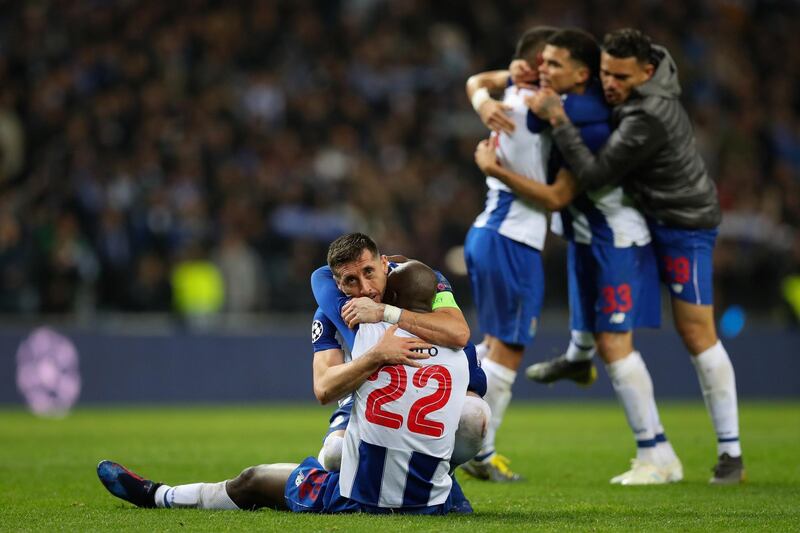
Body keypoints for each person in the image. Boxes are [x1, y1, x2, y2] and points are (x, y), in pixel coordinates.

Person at [97, 261, 491, 514]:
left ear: (389, 290)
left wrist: (373, 351)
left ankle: (158, 495)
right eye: (355, 278)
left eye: (374, 275)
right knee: (472, 414)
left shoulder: (365, 329)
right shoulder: (460, 351)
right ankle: (446, 481)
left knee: (259, 479)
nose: (366, 288)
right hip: (434, 499)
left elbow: (321, 282)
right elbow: (466, 356)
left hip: (360, 495)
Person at [528, 28, 744, 485]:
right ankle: (578, 355)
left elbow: (593, 171)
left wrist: (560, 120)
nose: (610, 83)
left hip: (683, 224)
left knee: (696, 332)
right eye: (605, 72)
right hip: (647, 217)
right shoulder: (633, 87)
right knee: (597, 291)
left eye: (620, 76)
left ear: (647, 72)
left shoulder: (649, 114)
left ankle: (730, 453)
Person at [473, 28, 682, 485]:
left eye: (553, 65)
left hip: (615, 239)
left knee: (614, 344)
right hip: (586, 239)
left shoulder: (578, 113)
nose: (542, 71)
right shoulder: (561, 103)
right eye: (541, 62)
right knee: (568, 340)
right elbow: (486, 83)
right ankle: (575, 359)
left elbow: (558, 195)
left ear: (578, 74)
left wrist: (493, 162)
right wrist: (488, 93)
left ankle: (657, 455)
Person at [462, 25, 598, 483]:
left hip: (493, 234)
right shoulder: (528, 110)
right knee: (510, 349)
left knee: (495, 345)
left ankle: (449, 409)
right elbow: (556, 197)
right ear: (531, 69)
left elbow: (476, 84)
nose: (548, 72)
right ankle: (481, 452)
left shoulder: (512, 103)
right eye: (544, 64)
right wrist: (494, 167)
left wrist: (490, 89)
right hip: (510, 239)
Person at [310, 232, 486, 472]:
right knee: (334, 454)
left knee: (473, 417)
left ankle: (444, 473)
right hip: (371, 394)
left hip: (432, 387)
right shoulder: (332, 310)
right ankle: (341, 492)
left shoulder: (422, 282)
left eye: (369, 272)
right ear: (338, 283)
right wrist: (375, 356)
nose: (365, 289)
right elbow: (324, 388)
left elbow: (458, 333)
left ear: (384, 263)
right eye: (351, 280)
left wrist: (385, 312)